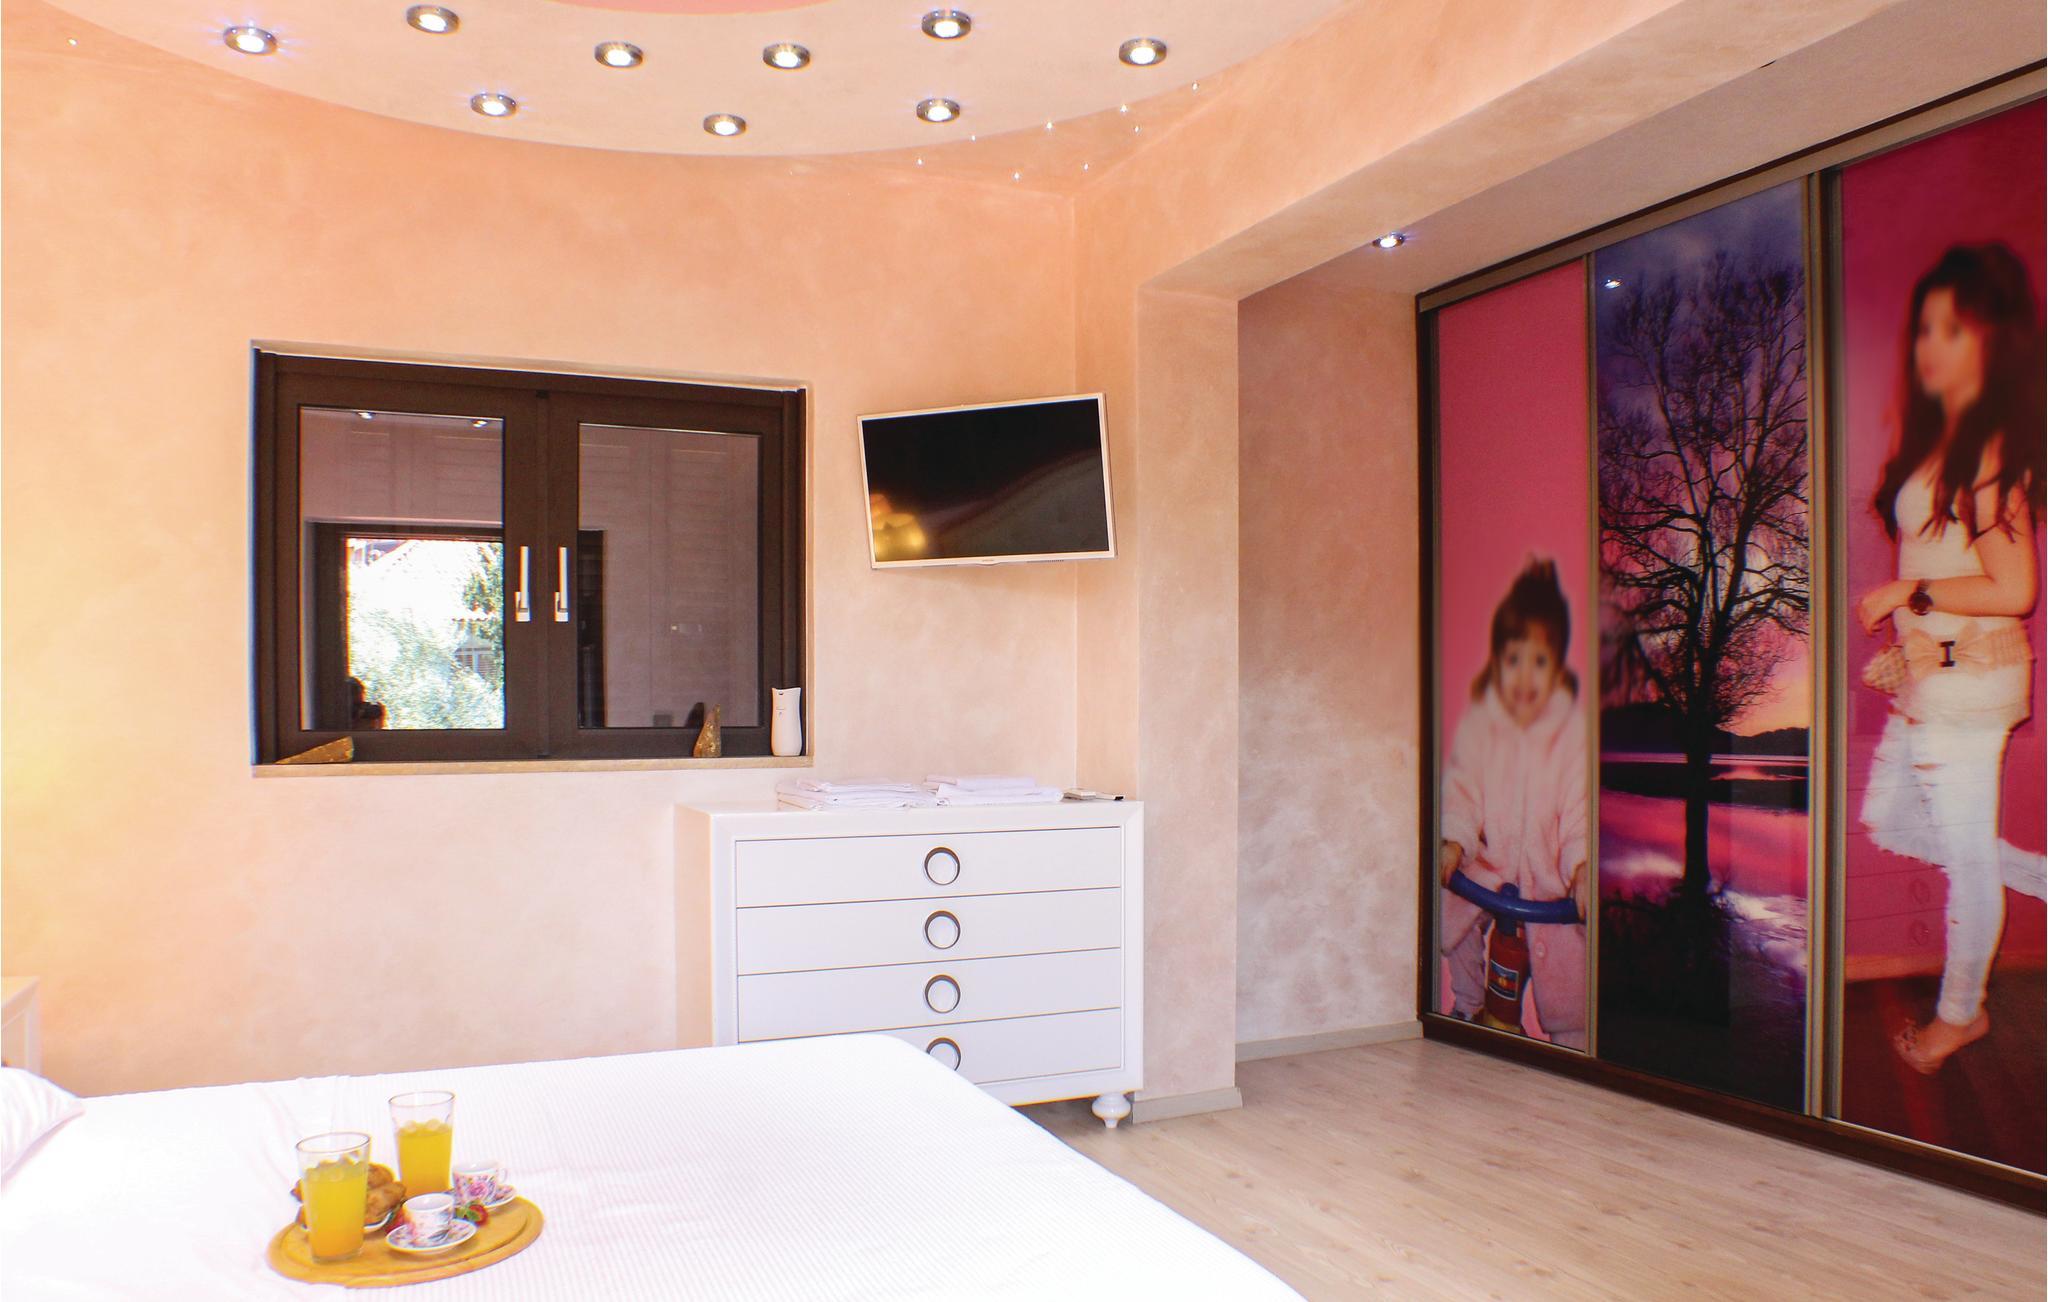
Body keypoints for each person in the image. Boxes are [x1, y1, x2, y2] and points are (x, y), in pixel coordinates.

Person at [1856, 242, 2047, 1075]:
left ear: (1991, 340)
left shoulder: (1989, 453)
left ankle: (1957, 1018)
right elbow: (1950, 562)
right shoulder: (1945, 441)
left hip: (1968, 685)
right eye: (1924, 328)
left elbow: (2015, 587)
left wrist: (1910, 597)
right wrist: (1913, 638)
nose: (1929, 345)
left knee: (1964, 859)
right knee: (1890, 820)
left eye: (1952, 328)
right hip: (1939, 675)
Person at [1439, 558, 1589, 1049]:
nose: (1525, 675)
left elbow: (1580, 812)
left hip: (1549, 882)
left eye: (1539, 662)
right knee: (1450, 904)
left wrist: (1582, 867)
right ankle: (1466, 1002)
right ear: (1497, 664)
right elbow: (1462, 789)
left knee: (1571, 959)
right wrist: (1454, 840)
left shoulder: (1571, 738)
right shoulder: (1482, 727)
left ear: (1557, 668)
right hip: (1493, 868)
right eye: (1513, 660)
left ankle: (1572, 1040)